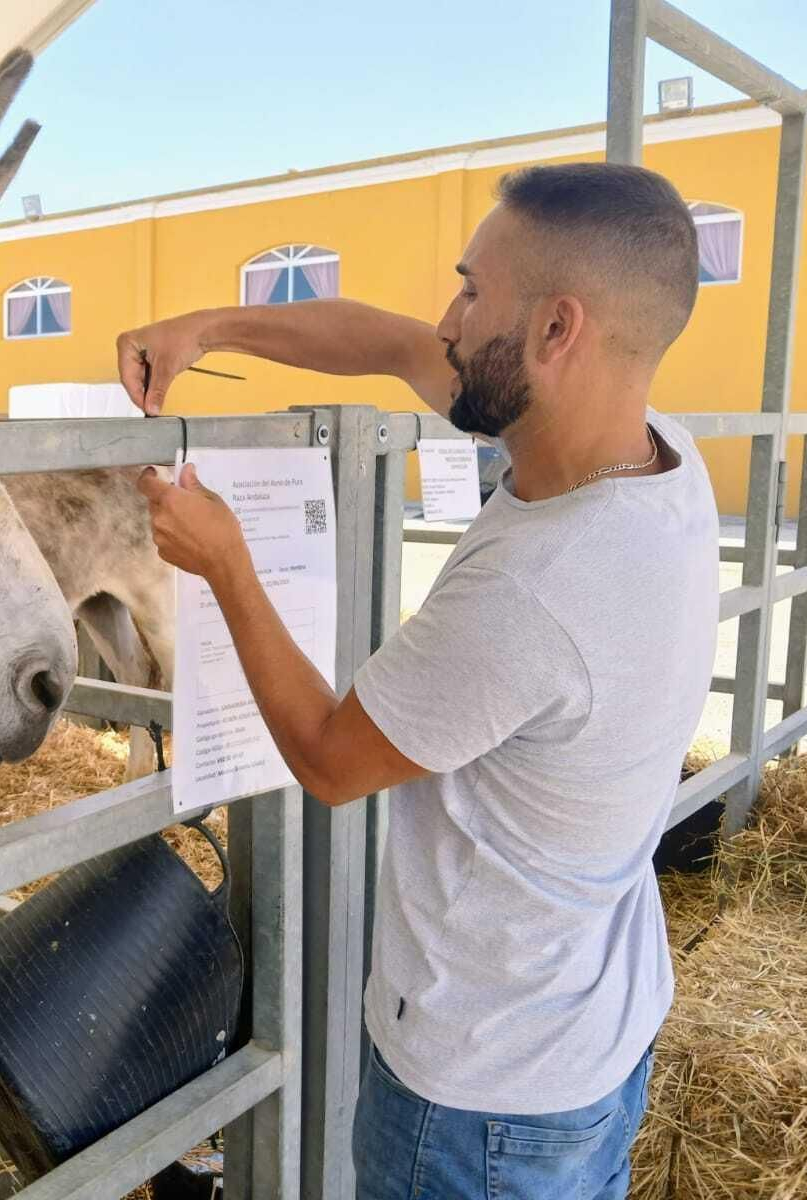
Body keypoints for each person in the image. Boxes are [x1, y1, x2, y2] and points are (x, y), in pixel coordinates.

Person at [115, 162, 719, 1199]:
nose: (446, 315)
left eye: (472, 289)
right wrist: (204, 330)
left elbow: (328, 758)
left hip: (480, 1099)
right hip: (592, 1037)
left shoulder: (542, 587)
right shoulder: (656, 455)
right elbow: (397, 346)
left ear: (556, 329)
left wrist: (224, 565)